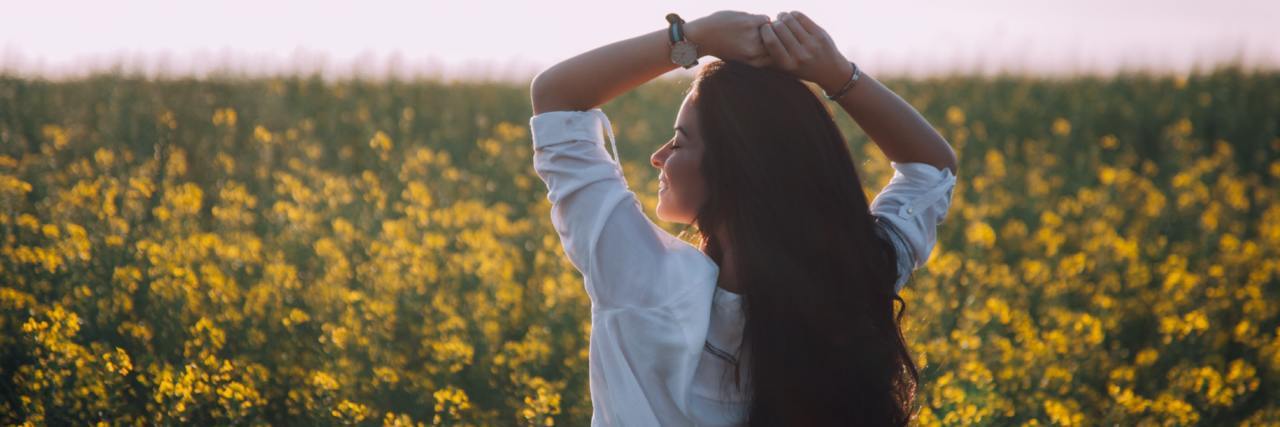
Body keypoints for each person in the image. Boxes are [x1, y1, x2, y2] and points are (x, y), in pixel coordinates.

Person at [528, 10, 958, 426]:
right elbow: (932, 168)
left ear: (736, 169)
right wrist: (836, 73)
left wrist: (692, 37)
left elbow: (554, 97)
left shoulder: (641, 279)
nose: (658, 157)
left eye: (678, 143)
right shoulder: (854, 277)